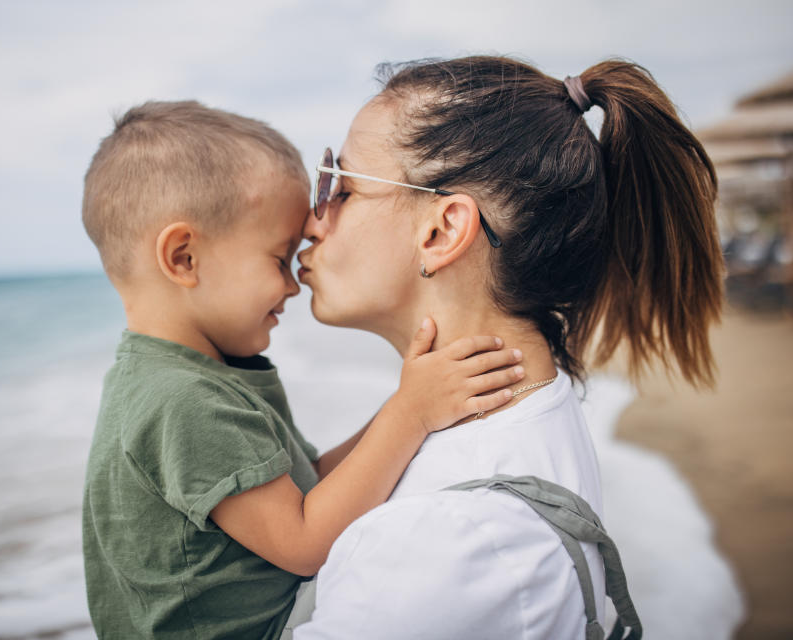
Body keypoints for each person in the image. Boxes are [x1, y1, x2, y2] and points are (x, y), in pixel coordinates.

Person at [291, 56, 722, 639]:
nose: (311, 222)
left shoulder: (446, 541)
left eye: (339, 187)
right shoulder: (524, 406)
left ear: (442, 231)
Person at [79, 100, 525, 639]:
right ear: (183, 258)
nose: (293, 285)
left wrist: (409, 403)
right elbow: (305, 543)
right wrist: (410, 414)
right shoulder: (182, 400)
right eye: (279, 258)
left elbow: (307, 484)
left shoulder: (194, 376)